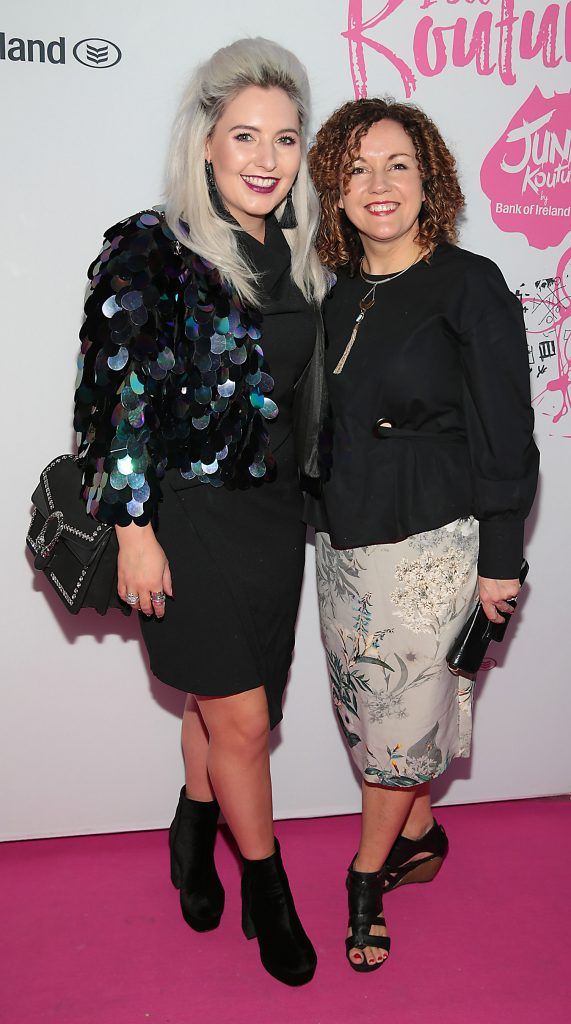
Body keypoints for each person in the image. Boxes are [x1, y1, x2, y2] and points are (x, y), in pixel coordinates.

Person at [73, 38, 328, 987]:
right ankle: (268, 893)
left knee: (224, 709)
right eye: (245, 136)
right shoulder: (152, 245)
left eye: (287, 139)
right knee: (246, 720)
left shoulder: (300, 251)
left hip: (271, 521)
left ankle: (192, 827)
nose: (266, 159)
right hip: (184, 517)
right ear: (207, 142)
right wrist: (132, 529)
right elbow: (114, 396)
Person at [307, 98, 539, 972]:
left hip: (432, 546)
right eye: (358, 166)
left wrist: (500, 560)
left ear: (427, 181)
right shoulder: (334, 293)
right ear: (334, 187)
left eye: (397, 164)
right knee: (372, 719)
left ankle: (366, 875)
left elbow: (505, 434)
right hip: (342, 545)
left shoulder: (467, 282)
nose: (378, 184)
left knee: (398, 727)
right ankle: (420, 834)